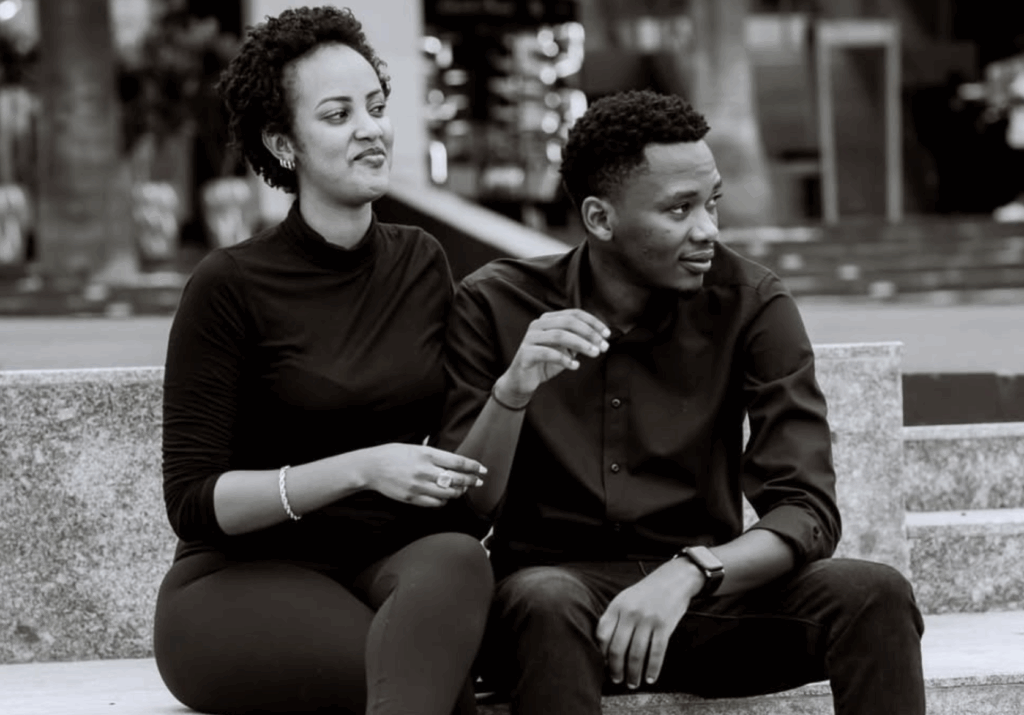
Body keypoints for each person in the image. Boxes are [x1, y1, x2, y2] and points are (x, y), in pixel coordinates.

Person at [439, 90, 926, 715]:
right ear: (600, 219)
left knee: (876, 593)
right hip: (553, 614)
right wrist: (512, 393)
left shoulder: (751, 302)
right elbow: (464, 511)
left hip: (704, 599)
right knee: (544, 598)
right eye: (679, 209)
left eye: (712, 202)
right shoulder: (495, 303)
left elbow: (805, 509)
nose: (707, 230)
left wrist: (691, 572)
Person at [153, 7, 493, 714]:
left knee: (458, 560)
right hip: (240, 582)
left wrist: (517, 384)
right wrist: (362, 467)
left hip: (391, 561)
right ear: (284, 143)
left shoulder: (422, 261)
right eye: (339, 115)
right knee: (430, 686)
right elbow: (193, 502)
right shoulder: (228, 285)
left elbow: (462, 467)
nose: (370, 129)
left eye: (376, 107)